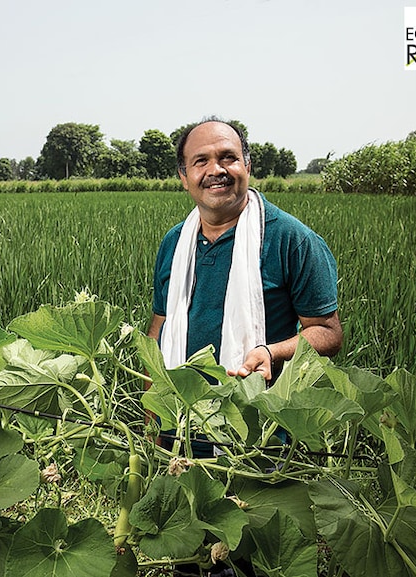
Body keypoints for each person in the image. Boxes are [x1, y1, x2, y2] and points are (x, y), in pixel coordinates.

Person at [148, 119, 342, 576]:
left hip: (256, 436)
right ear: (184, 176)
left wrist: (271, 352)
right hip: (186, 427)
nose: (216, 170)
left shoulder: (290, 239)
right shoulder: (175, 243)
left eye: (228, 157)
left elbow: (327, 333)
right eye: (201, 161)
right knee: (191, 552)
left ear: (247, 166)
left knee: (251, 556)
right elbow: (160, 327)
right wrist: (154, 412)